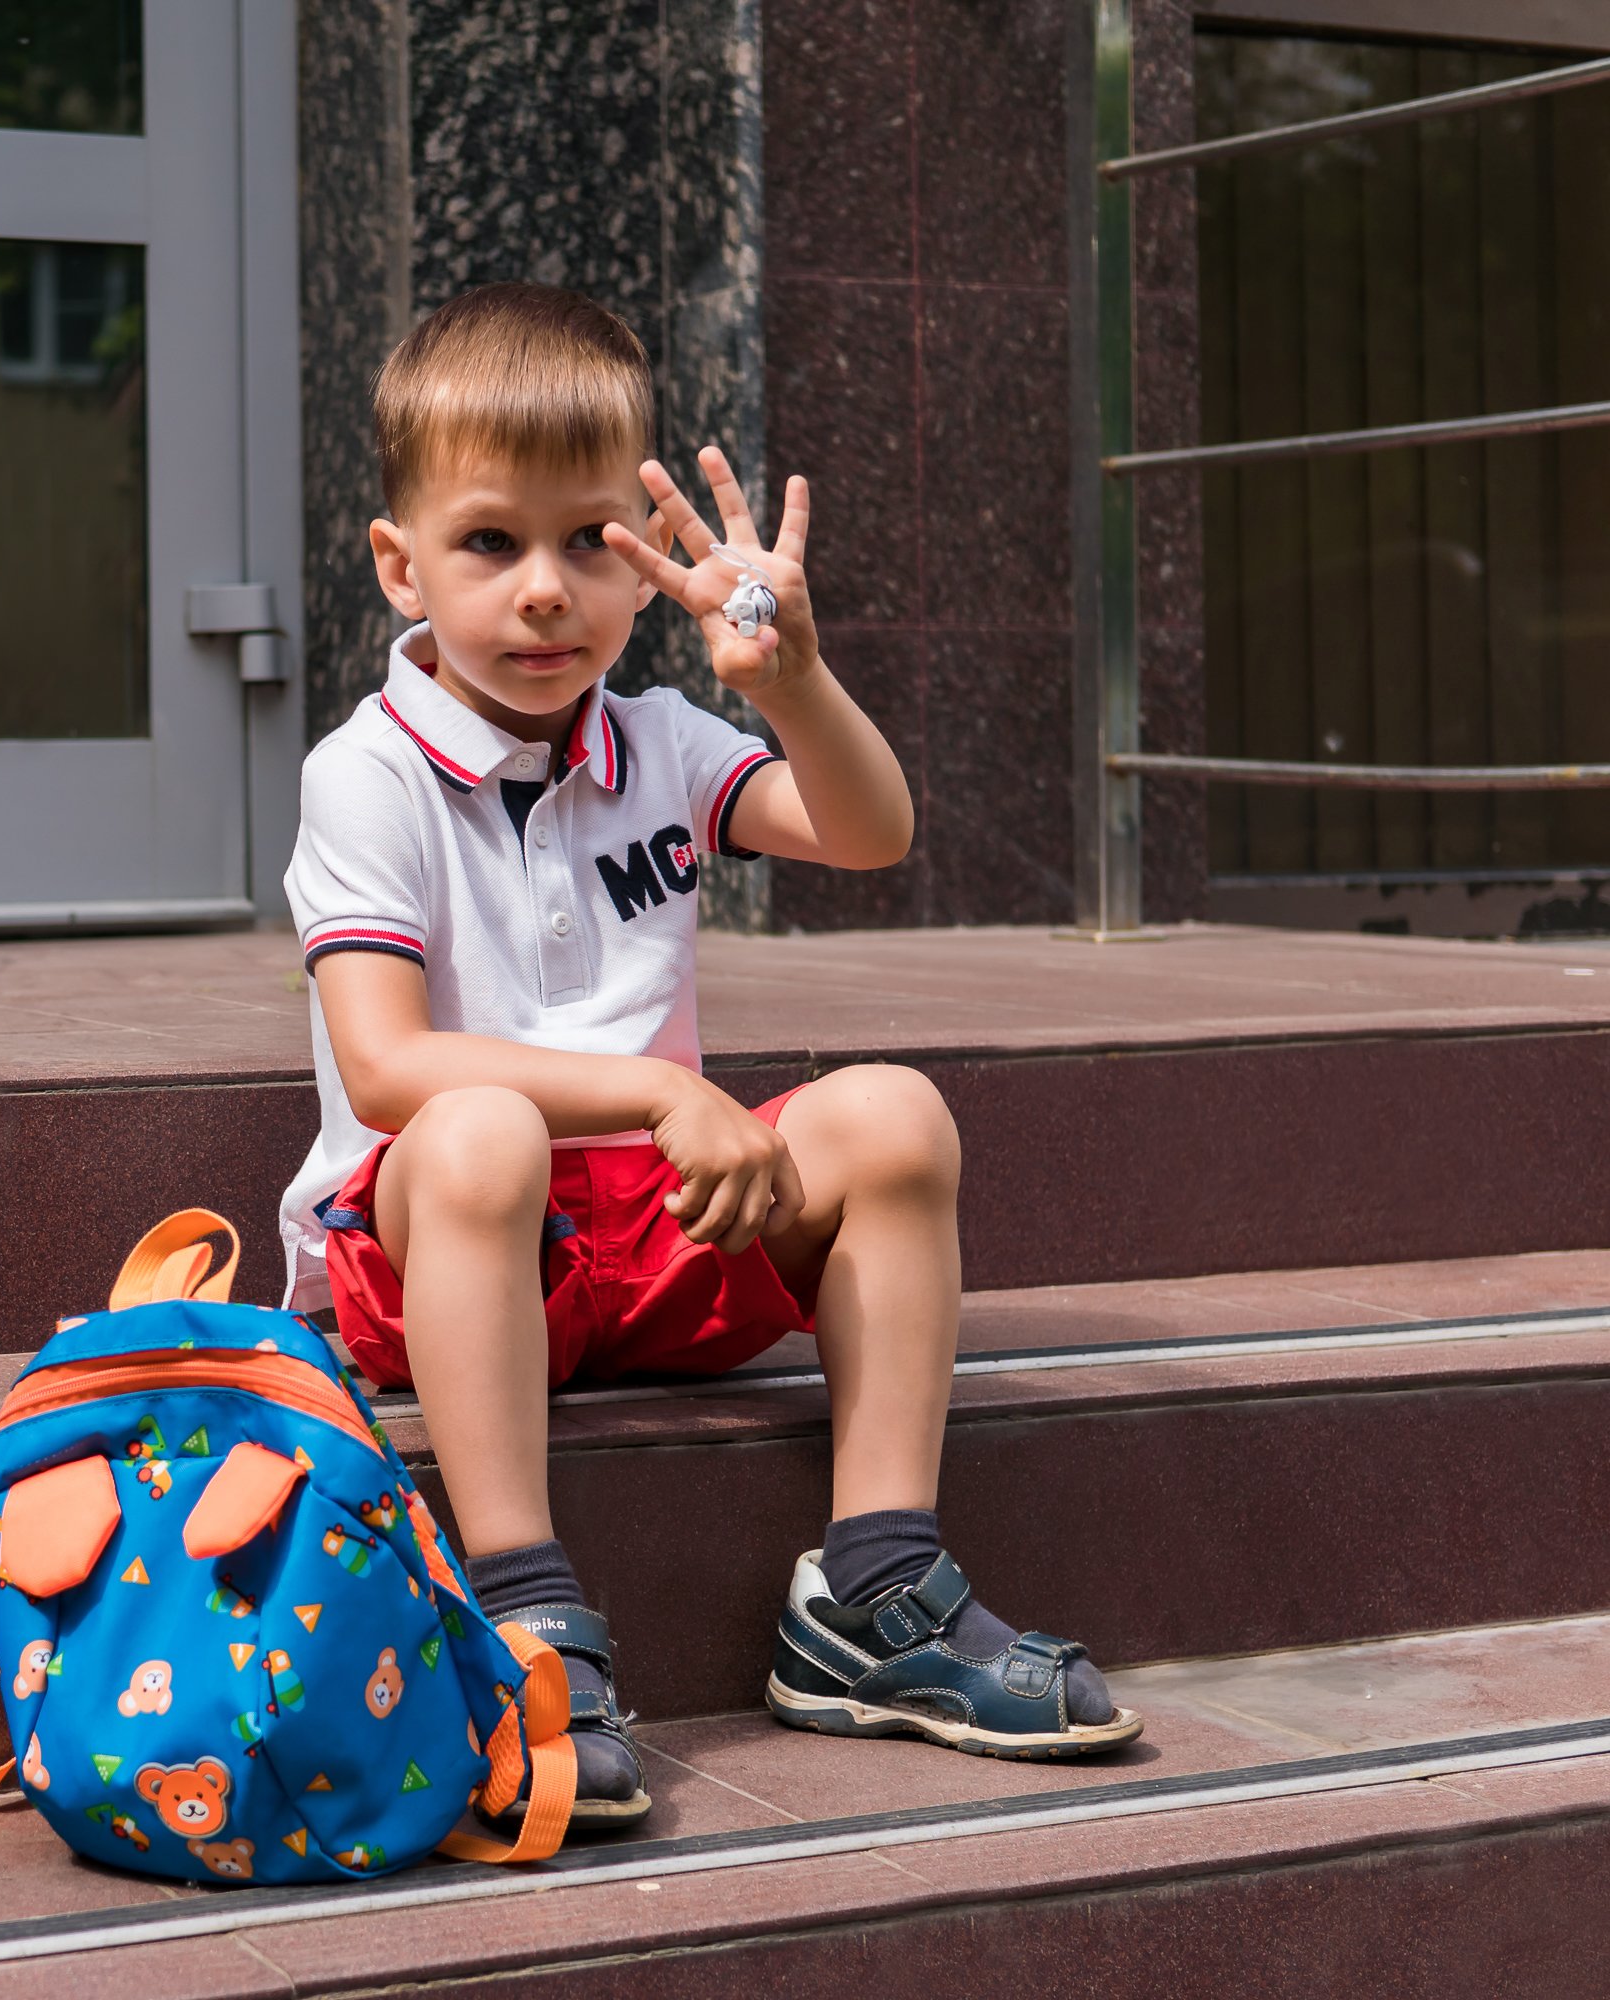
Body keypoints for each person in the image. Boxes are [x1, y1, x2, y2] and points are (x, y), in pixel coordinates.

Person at [281, 285, 1138, 1834]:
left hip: (665, 1235)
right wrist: (670, 1093)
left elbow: (871, 836)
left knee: (894, 1116)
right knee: (476, 1135)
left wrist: (793, 677)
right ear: (400, 563)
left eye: (590, 543)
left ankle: (874, 1596)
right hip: (457, 1254)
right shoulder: (365, 774)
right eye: (491, 545)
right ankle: (522, 1611)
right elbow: (391, 1069)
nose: (546, 593)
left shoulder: (666, 739)